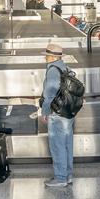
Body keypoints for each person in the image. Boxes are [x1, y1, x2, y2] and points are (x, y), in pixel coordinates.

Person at [40, 43, 74, 188]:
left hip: (57, 113)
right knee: (67, 144)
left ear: (52, 56)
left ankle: (60, 178)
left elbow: (50, 93)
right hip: (68, 112)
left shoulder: (53, 70)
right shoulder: (65, 67)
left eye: (46, 55)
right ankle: (68, 175)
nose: (45, 58)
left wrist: (45, 111)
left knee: (57, 145)